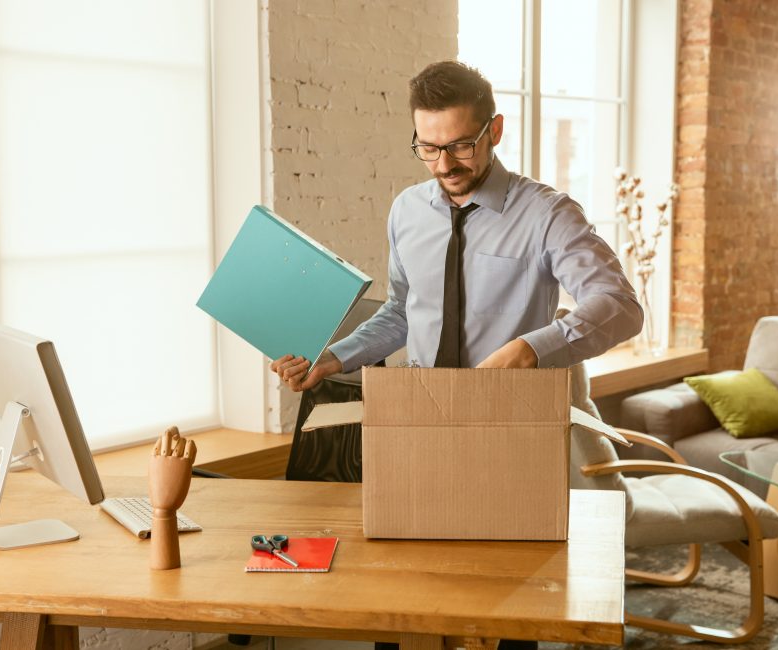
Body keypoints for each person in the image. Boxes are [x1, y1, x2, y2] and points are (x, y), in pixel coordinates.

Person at [271, 61, 643, 650]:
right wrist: (333, 361)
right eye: (428, 147)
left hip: (511, 435)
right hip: (416, 425)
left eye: (462, 146)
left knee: (508, 601)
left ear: (495, 131)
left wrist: (530, 349)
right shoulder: (405, 211)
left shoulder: (547, 214)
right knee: (403, 594)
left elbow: (620, 305)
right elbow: (401, 312)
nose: (445, 165)